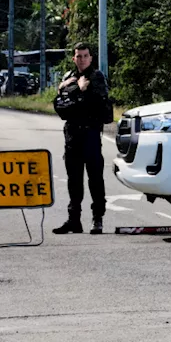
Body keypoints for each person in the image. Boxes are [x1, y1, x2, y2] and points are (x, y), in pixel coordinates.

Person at [52, 42, 110, 235]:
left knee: (95, 180)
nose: (82, 59)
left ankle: (97, 219)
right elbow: (60, 106)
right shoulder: (69, 78)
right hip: (72, 136)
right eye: (79, 56)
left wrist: (76, 95)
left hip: (90, 135)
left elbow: (95, 105)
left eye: (85, 55)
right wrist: (78, 90)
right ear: (74, 58)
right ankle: (73, 220)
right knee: (73, 180)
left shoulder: (97, 77)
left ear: (91, 58)